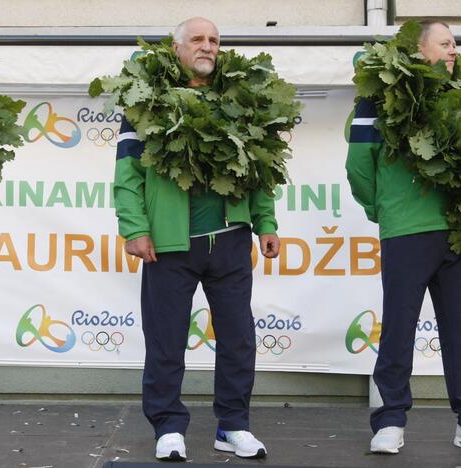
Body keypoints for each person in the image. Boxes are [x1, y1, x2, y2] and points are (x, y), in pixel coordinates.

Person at [113, 17, 280, 462]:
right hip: (171, 243)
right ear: (176, 48)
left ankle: (233, 426)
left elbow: (261, 170)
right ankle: (167, 426)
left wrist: (265, 223)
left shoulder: (240, 100)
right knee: (166, 338)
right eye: (197, 40)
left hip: (229, 239)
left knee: (239, 338)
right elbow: (127, 175)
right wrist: (134, 228)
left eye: (214, 40)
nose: (207, 46)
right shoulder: (144, 102)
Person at [345, 20, 461, 456]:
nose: (454, 50)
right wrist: (381, 209)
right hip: (405, 229)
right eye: (445, 43)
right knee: (399, 327)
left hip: (456, 229)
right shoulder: (377, 99)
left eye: (455, 42)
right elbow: (359, 166)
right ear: (419, 51)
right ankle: (390, 420)